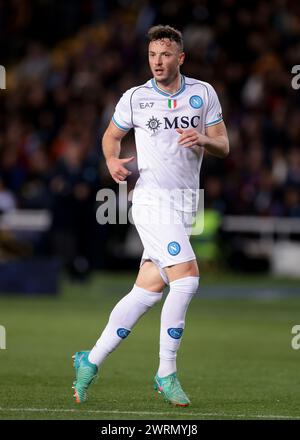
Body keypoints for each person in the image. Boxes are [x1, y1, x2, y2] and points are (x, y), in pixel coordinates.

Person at [72, 25, 229, 407]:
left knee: (146, 292)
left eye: (165, 55)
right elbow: (110, 137)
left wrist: (206, 140)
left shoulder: (202, 93)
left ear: (180, 58)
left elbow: (223, 144)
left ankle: (89, 360)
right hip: (151, 203)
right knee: (187, 280)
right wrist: (112, 161)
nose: (157, 62)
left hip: (185, 206)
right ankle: (166, 371)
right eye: (152, 55)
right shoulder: (135, 98)